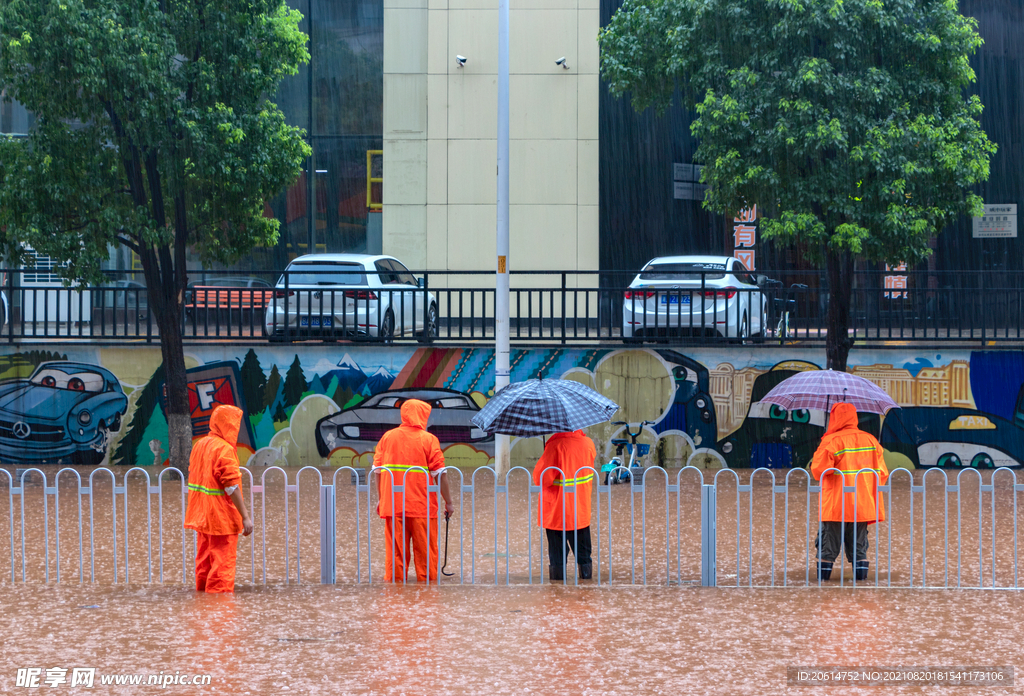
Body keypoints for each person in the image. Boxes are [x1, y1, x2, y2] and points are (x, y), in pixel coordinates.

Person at [374, 399, 454, 583]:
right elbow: (441, 474)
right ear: (423, 415)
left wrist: (381, 498)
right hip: (422, 507)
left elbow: (378, 471)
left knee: (395, 553)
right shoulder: (429, 439)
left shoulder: (387, 437)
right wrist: (448, 502)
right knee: (425, 554)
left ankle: (395, 594)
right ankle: (427, 594)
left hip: (393, 506)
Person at [810, 402, 889, 581]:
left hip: (836, 505)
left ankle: (823, 588)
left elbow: (819, 471)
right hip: (862, 505)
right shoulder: (871, 441)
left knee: (827, 547)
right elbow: (882, 474)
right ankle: (861, 589)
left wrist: (822, 447)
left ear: (834, 418)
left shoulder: (831, 441)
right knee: (859, 548)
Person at [184, 404, 254, 593]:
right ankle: (219, 612)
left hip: (201, 516)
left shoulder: (200, 445)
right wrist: (245, 517)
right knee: (222, 567)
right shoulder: (224, 449)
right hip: (221, 519)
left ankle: (203, 607)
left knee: (204, 562)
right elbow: (231, 486)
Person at [533, 430, 597, 582]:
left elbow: (541, 479)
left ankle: (557, 595)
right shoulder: (588, 444)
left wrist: (546, 453)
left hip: (557, 511)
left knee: (557, 556)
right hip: (580, 510)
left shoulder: (555, 446)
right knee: (583, 553)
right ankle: (586, 589)